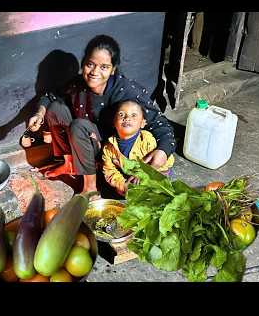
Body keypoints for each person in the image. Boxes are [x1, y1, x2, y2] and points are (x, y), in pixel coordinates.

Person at [27, 35, 176, 194]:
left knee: (79, 125)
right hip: (87, 141)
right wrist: (39, 113)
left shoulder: (126, 91)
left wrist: (163, 152)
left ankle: (90, 187)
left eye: (104, 67)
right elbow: (52, 95)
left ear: (113, 70)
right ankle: (70, 163)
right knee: (56, 109)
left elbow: (161, 124)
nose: (94, 72)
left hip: (111, 153)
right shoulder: (78, 84)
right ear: (83, 64)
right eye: (90, 64)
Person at [102, 99, 175, 196]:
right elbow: (109, 171)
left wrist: (146, 173)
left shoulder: (147, 141)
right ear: (114, 122)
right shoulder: (109, 147)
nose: (127, 118)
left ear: (143, 123)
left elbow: (168, 161)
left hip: (154, 178)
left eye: (134, 115)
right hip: (131, 181)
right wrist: (123, 185)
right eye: (121, 114)